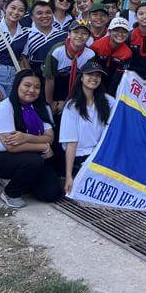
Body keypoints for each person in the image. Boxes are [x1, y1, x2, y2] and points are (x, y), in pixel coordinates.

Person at [0, 69, 61, 208]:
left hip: (32, 156)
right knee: (33, 161)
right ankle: (10, 193)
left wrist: (26, 137)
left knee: (51, 194)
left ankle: (24, 181)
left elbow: (50, 137)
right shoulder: (4, 108)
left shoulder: (42, 107)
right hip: (2, 156)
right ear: (17, 85)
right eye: (27, 85)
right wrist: (42, 146)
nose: (32, 90)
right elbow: (11, 147)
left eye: (37, 87)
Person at [61, 59, 116, 194]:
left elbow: (125, 108)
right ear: (82, 77)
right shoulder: (72, 106)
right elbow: (71, 143)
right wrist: (68, 175)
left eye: (98, 75)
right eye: (90, 74)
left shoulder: (107, 100)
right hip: (81, 155)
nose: (94, 78)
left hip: (101, 154)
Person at [42, 20, 96, 117]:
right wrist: (50, 103)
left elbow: (86, 82)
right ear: (69, 34)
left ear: (89, 37)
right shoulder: (57, 51)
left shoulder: (90, 55)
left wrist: (68, 102)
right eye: (75, 32)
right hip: (55, 90)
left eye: (84, 33)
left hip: (76, 94)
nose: (79, 36)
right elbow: (49, 79)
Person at [91, 17, 133, 94]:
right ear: (109, 31)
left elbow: (119, 77)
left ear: (128, 34)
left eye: (124, 32)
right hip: (93, 81)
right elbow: (90, 69)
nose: (120, 34)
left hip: (112, 85)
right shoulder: (97, 46)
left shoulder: (127, 53)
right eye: (116, 30)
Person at [23, 1, 67, 73]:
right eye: (39, 13)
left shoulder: (63, 35)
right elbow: (23, 59)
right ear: (32, 17)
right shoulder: (26, 35)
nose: (45, 16)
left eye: (48, 12)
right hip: (35, 79)